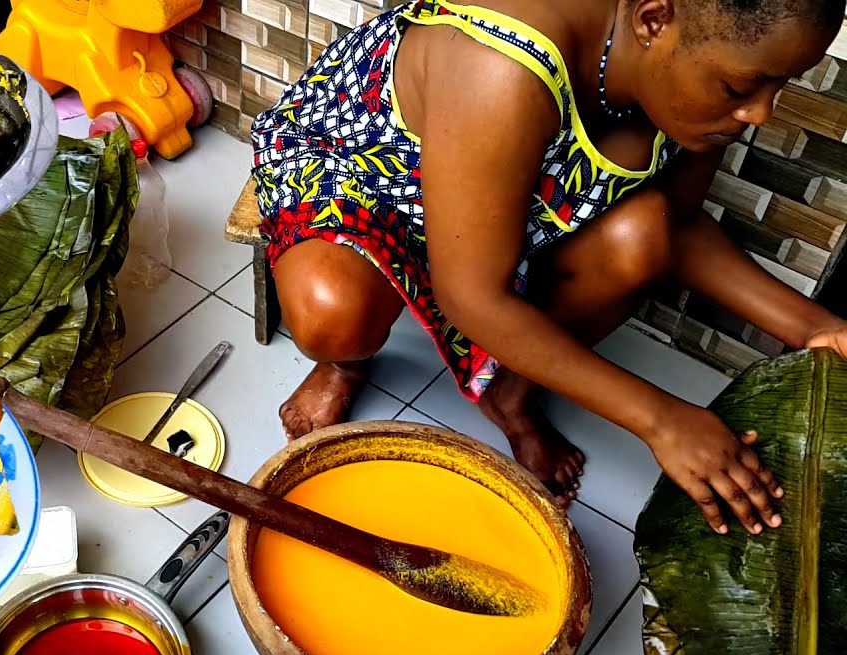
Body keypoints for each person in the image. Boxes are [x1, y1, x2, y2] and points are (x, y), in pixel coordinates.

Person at [250, 0, 847, 534]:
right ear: (654, 19)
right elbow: (473, 300)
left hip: (492, 199)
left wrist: (815, 328)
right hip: (369, 170)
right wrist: (662, 419)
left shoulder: (706, 89)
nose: (760, 113)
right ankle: (343, 367)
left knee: (642, 236)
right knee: (334, 313)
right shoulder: (502, 65)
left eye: (779, 87)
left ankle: (510, 395)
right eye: (744, 85)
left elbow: (682, 224)